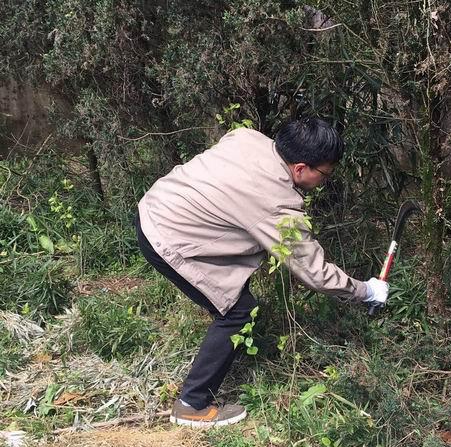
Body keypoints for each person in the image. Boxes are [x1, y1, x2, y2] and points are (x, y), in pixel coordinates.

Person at [135, 117, 389, 428]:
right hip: (167, 239)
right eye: (325, 174)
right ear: (300, 168)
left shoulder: (247, 137)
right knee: (237, 312)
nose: (325, 180)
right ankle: (192, 404)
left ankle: (217, 364)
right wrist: (367, 291)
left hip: (155, 206)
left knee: (232, 298)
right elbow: (315, 273)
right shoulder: (277, 203)